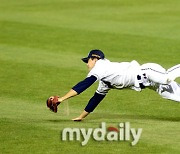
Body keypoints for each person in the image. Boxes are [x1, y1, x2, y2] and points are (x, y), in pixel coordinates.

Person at [52, 49, 180, 121]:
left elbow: (85, 84)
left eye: (88, 60)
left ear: (95, 59)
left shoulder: (100, 66)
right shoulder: (104, 79)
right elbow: (96, 99)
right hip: (151, 85)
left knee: (167, 78)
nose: (87, 64)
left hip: (148, 72)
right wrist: (81, 117)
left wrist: (62, 99)